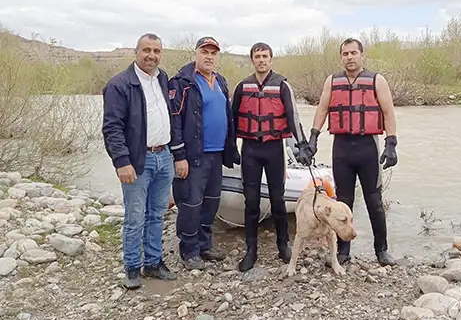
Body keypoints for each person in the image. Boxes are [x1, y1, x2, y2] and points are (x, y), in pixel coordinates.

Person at [306, 37, 398, 267]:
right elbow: (323, 109)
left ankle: (381, 250)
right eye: (345, 54)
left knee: (374, 201)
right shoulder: (332, 81)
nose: (349, 57)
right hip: (342, 148)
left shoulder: (377, 80)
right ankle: (343, 251)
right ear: (341, 57)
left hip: (368, 147)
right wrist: (313, 137)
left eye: (353, 53)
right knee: (343, 201)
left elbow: (388, 111)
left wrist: (391, 143)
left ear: (362, 55)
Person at [102, 33, 177, 290]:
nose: (151, 55)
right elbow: (112, 128)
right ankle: (132, 267)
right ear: (136, 52)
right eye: (146, 50)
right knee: (135, 217)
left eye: (156, 51)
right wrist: (121, 161)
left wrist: (175, 154)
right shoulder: (120, 84)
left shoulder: (163, 79)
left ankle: (153, 263)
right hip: (137, 160)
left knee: (157, 214)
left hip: (164, 155)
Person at [231, 42, 314, 272]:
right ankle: (251, 250)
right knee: (251, 201)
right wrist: (230, 147)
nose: (261, 60)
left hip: (274, 148)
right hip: (250, 150)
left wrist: (303, 145)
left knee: (278, 199)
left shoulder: (282, 86)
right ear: (252, 60)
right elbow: (232, 119)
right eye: (257, 56)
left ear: (271, 59)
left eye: (265, 56)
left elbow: (293, 117)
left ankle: (283, 245)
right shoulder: (242, 86)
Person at [168, 36, 240, 270]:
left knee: (211, 203)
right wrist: (179, 156)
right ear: (196, 54)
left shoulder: (221, 81)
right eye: (204, 51)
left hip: (217, 154)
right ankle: (189, 251)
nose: (209, 56)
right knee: (191, 204)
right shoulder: (182, 82)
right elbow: (174, 120)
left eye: (213, 52)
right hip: (193, 155)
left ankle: (204, 245)